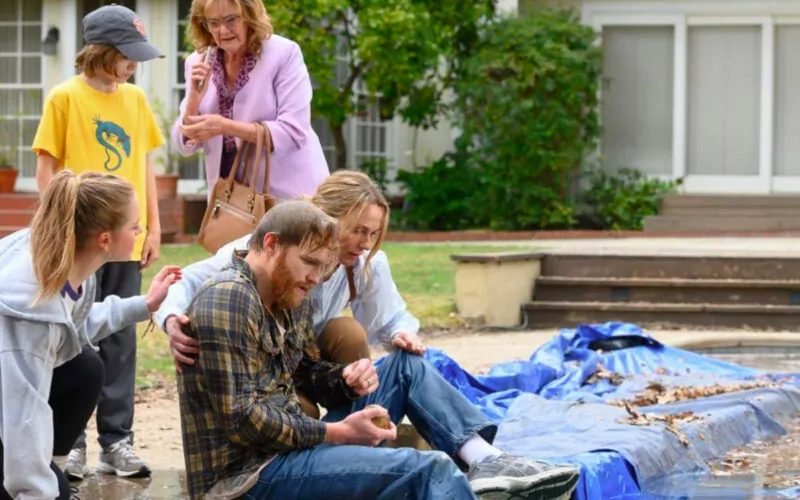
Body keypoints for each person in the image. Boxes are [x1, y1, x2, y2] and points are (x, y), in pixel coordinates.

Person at [177, 200, 580, 499]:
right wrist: (337, 433)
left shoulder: (287, 294)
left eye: (324, 268)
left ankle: (487, 461)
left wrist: (347, 383)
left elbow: (307, 376)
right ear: (271, 245)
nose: (317, 279)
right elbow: (242, 420)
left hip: (287, 451)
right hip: (243, 479)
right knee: (428, 470)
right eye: (310, 264)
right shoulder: (229, 297)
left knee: (404, 366)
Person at [157, 171, 423, 418]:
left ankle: (354, 425)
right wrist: (171, 320)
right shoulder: (261, 251)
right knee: (301, 413)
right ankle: (326, 441)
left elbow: (388, 318)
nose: (366, 243)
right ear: (326, 215)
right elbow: (184, 280)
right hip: (268, 364)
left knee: (348, 332)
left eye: (373, 234)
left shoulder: (364, 262)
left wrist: (401, 333)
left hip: (308, 359)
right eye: (358, 231)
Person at [31, 4, 167, 480]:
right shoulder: (64, 97)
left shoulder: (134, 101)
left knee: (121, 341)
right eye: (128, 56)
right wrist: (57, 229)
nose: (134, 65)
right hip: (80, 243)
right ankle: (70, 445)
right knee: (72, 337)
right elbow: (46, 169)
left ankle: (118, 442)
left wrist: (151, 226)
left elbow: (146, 165)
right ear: (102, 52)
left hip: (126, 240)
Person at [0, 171, 181, 500]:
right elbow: (22, 415)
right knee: (42, 488)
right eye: (134, 225)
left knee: (85, 366)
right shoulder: (30, 309)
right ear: (105, 239)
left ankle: (47, 469)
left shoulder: (65, 261)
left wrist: (145, 304)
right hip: (9, 408)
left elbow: (70, 327)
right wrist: (37, 490)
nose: (140, 231)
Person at [174, 0, 329, 201]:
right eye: (213, 23)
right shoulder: (197, 62)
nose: (222, 30)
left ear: (249, 15)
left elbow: (293, 131)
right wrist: (193, 101)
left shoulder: (284, 54)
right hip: (230, 201)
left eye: (231, 19)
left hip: (290, 197)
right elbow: (185, 145)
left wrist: (225, 127)